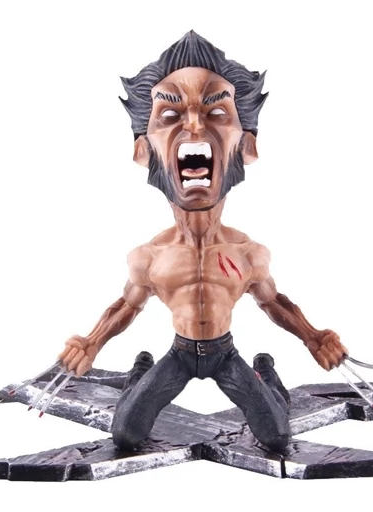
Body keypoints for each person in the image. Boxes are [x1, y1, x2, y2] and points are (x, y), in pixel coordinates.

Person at [57, 32, 348, 453]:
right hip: (179, 355)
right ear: (144, 151)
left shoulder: (248, 253)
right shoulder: (149, 257)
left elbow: (273, 302)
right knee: (125, 434)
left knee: (277, 436)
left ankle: (267, 373)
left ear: (245, 146)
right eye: (170, 114)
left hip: (224, 354)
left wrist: (313, 336)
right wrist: (90, 342)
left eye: (215, 112)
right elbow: (126, 306)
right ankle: (140, 372)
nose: (194, 125)